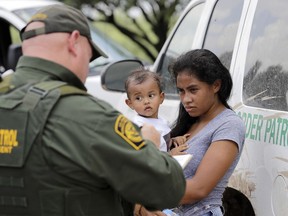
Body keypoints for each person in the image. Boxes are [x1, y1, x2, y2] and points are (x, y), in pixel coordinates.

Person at [0, 4, 186, 216]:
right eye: (89, 57)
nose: (87, 69)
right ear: (74, 42)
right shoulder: (87, 115)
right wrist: (150, 146)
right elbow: (169, 188)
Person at [168, 49, 246, 215]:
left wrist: (147, 195)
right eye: (181, 91)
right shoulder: (188, 122)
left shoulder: (229, 125)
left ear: (216, 85)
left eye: (193, 90)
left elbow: (199, 189)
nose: (186, 99)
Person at [124, 68, 189, 154]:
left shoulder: (160, 121)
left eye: (151, 95)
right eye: (138, 98)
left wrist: (172, 141)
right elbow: (148, 157)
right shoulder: (140, 128)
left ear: (161, 97)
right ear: (130, 103)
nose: (146, 101)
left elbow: (161, 144)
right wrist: (171, 154)